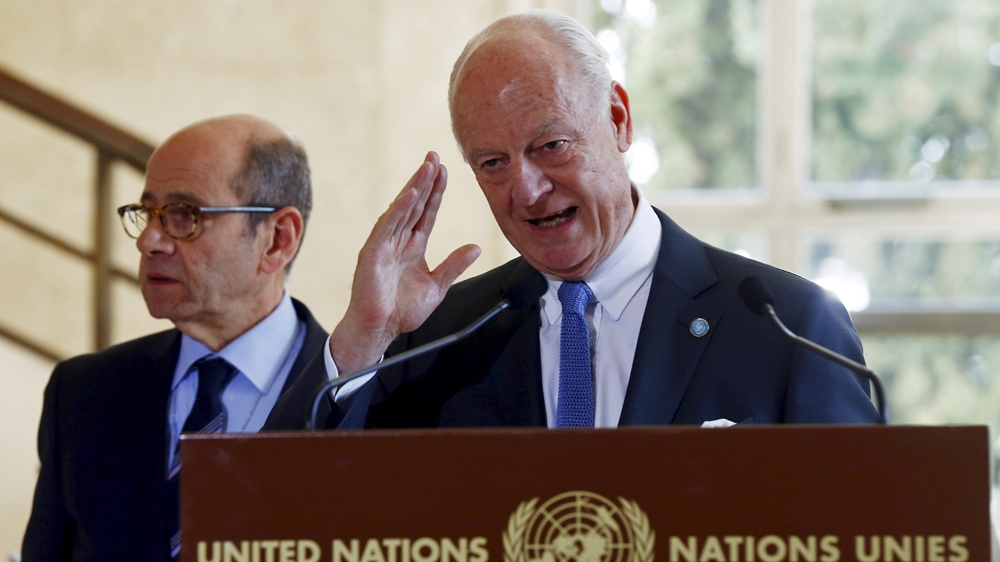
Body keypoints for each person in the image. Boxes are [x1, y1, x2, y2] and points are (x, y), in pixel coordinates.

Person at [271, 10, 879, 431]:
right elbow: (277, 501)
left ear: (617, 119)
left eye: (551, 146)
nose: (527, 190)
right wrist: (366, 335)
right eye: (493, 163)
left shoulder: (784, 327)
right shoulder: (435, 339)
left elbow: (860, 524)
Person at [21, 115, 330, 561]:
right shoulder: (82, 391)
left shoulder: (363, 395)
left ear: (277, 240)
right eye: (148, 213)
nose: (149, 240)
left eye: (185, 215)